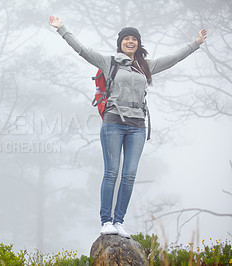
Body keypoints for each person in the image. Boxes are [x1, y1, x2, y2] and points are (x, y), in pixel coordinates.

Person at [48, 16, 207, 238]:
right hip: (114, 122)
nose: (130, 42)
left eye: (134, 39)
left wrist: (196, 44)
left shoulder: (145, 67)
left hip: (137, 126)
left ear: (138, 44)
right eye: (126, 39)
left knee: (130, 175)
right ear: (120, 42)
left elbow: (172, 59)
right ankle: (106, 222)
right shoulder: (109, 62)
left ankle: (119, 221)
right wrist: (61, 29)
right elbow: (82, 50)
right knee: (112, 172)